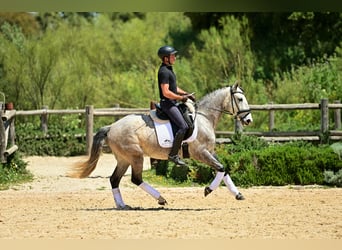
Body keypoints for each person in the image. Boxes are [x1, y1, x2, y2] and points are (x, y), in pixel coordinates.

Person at [157, 45, 195, 166]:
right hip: (167, 103)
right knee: (183, 126)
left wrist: (186, 94)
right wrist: (180, 98)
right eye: (172, 55)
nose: (175, 57)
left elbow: (173, 88)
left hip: (173, 102)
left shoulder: (169, 69)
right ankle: (173, 155)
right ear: (166, 58)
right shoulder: (163, 71)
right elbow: (166, 92)